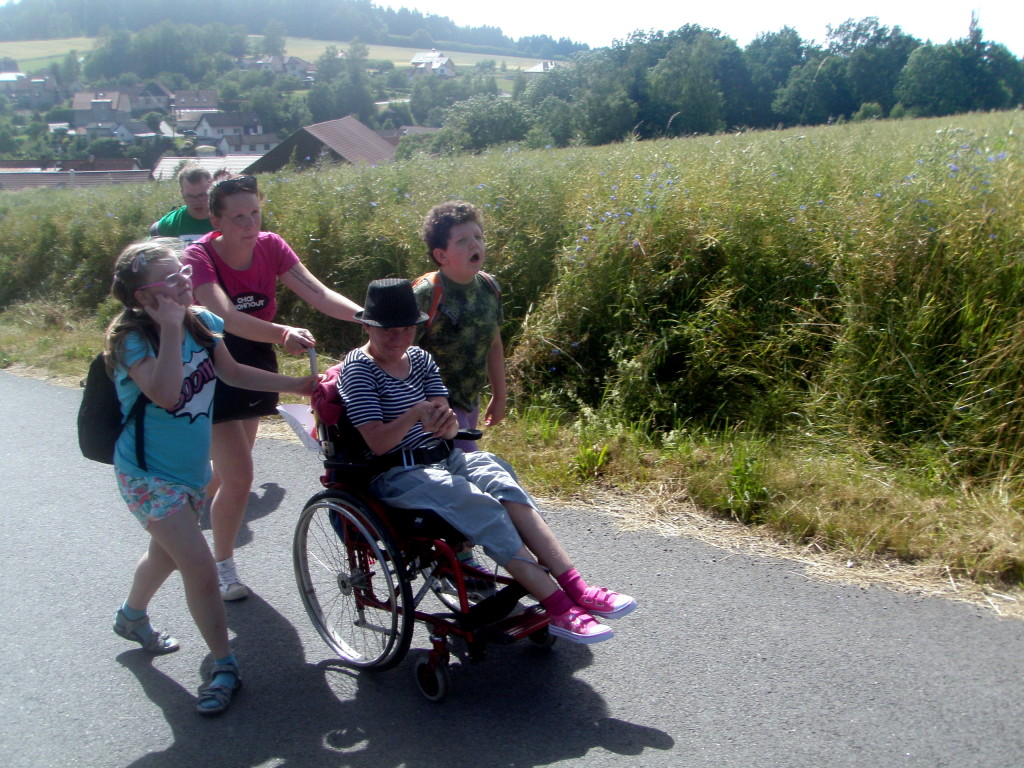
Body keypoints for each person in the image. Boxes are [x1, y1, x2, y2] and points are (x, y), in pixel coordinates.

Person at [339, 278, 637, 644]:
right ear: (367, 327)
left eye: (407, 329)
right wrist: (415, 412)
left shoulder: (419, 359)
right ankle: (560, 607)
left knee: (503, 482)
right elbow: (378, 442)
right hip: (396, 472)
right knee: (482, 507)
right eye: (388, 330)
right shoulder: (359, 369)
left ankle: (577, 587)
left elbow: (449, 429)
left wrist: (445, 422)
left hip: (443, 456)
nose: (399, 338)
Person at [106, 239, 317, 715]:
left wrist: (295, 386)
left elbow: (234, 373)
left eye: (184, 271)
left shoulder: (202, 322)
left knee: (164, 554)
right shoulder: (133, 340)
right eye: (172, 279)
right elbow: (165, 394)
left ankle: (131, 616)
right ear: (145, 297)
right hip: (146, 475)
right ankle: (225, 666)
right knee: (198, 567)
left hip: (189, 472)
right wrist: (169, 327)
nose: (186, 281)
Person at [182, 174, 361, 601]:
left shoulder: (271, 246)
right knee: (240, 475)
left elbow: (319, 294)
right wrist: (282, 333)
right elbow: (224, 317)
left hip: (257, 357)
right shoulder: (199, 256)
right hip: (212, 360)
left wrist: (372, 319)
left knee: (228, 471)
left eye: (255, 213)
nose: (250, 224)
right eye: (238, 217)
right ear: (216, 220)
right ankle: (222, 567)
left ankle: (182, 512)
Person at [414, 201, 505, 453]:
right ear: (441, 255)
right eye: (462, 240)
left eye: (478, 237)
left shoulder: (489, 287)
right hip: (433, 404)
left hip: (469, 400)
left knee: (453, 464)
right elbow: (399, 352)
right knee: (466, 462)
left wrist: (499, 395)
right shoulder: (427, 293)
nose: (475, 245)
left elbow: (494, 344)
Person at [150, 164, 220, 243]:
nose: (196, 202)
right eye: (190, 197)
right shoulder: (169, 224)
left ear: (211, 191)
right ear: (182, 193)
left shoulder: (224, 220)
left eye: (202, 196)